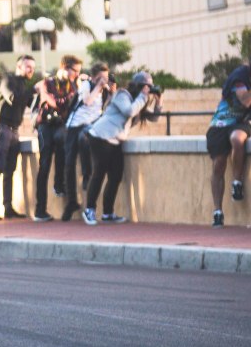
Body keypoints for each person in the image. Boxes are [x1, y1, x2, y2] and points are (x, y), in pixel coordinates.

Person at [207, 51, 251, 227]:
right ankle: (218, 211)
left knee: (238, 139)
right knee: (219, 164)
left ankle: (237, 182)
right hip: (220, 123)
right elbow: (246, 101)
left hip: (242, 122)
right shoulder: (239, 76)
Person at [82, 71, 162, 226]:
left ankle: (108, 213)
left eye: (149, 87)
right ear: (137, 86)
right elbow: (129, 111)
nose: (147, 89)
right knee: (99, 173)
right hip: (100, 136)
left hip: (116, 141)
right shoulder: (122, 95)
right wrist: (143, 96)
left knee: (116, 176)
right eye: (145, 86)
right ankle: (89, 210)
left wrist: (159, 101)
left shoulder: (139, 101)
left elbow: (155, 117)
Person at [0, 54, 37, 219]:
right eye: (28, 67)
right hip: (1, 127)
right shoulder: (8, 80)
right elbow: (13, 98)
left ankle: (8, 206)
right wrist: (33, 90)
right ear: (19, 66)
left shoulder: (23, 84)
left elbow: (29, 102)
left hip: (14, 129)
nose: (31, 70)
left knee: (10, 169)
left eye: (33, 68)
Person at [31, 54, 81, 221]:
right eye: (75, 71)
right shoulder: (47, 83)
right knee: (44, 165)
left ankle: (59, 185)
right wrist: (68, 98)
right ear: (65, 68)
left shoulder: (73, 85)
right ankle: (40, 210)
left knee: (63, 148)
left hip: (60, 125)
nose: (77, 75)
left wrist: (70, 95)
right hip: (45, 125)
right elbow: (54, 102)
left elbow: (73, 104)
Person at [61, 62, 111, 221]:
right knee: (68, 164)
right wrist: (98, 87)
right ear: (95, 76)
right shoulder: (86, 85)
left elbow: (107, 108)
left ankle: (86, 177)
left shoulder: (104, 90)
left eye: (106, 78)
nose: (104, 81)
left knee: (86, 142)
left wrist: (111, 92)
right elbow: (88, 101)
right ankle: (71, 202)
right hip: (74, 126)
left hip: (89, 126)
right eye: (102, 78)